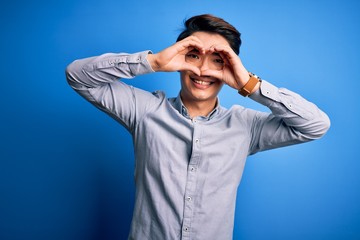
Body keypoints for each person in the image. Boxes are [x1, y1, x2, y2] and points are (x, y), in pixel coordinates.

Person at [66, 14, 330, 240]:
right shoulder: (145, 110)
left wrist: (250, 85)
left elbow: (315, 125)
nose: (203, 70)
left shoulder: (246, 125)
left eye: (218, 59)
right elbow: (77, 76)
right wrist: (154, 62)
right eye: (193, 56)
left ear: (231, 66)